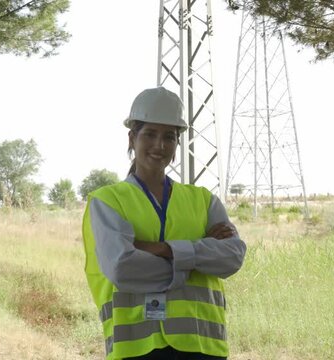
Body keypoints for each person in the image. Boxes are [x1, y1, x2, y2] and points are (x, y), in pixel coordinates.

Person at [82, 86, 247, 360]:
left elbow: (232, 258)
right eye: (150, 134)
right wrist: (198, 257)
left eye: (169, 137)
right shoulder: (107, 202)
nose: (160, 145)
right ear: (132, 137)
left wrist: (163, 249)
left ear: (177, 144)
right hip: (136, 347)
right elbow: (123, 267)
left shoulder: (203, 201)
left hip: (201, 345)